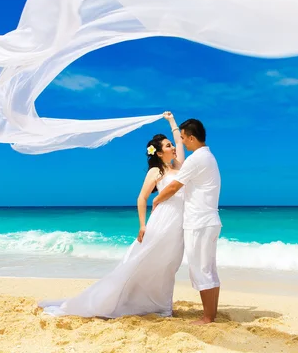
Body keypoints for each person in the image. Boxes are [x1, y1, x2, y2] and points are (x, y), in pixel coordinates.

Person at [38, 111, 186, 318]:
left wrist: (171, 121)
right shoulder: (156, 172)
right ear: (160, 153)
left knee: (169, 264)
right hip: (162, 221)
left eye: (171, 144)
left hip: (178, 223)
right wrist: (143, 225)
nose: (172, 147)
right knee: (146, 263)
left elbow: (180, 141)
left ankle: (161, 305)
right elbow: (141, 198)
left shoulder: (179, 166)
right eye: (168, 145)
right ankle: (152, 306)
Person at [152, 119, 222, 325]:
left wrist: (156, 199)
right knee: (209, 269)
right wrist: (172, 123)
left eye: (182, 138)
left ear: (191, 137)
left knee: (201, 269)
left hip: (199, 222)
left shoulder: (196, 159)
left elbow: (174, 186)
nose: (180, 142)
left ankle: (208, 317)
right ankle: (212, 314)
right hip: (209, 220)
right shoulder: (208, 156)